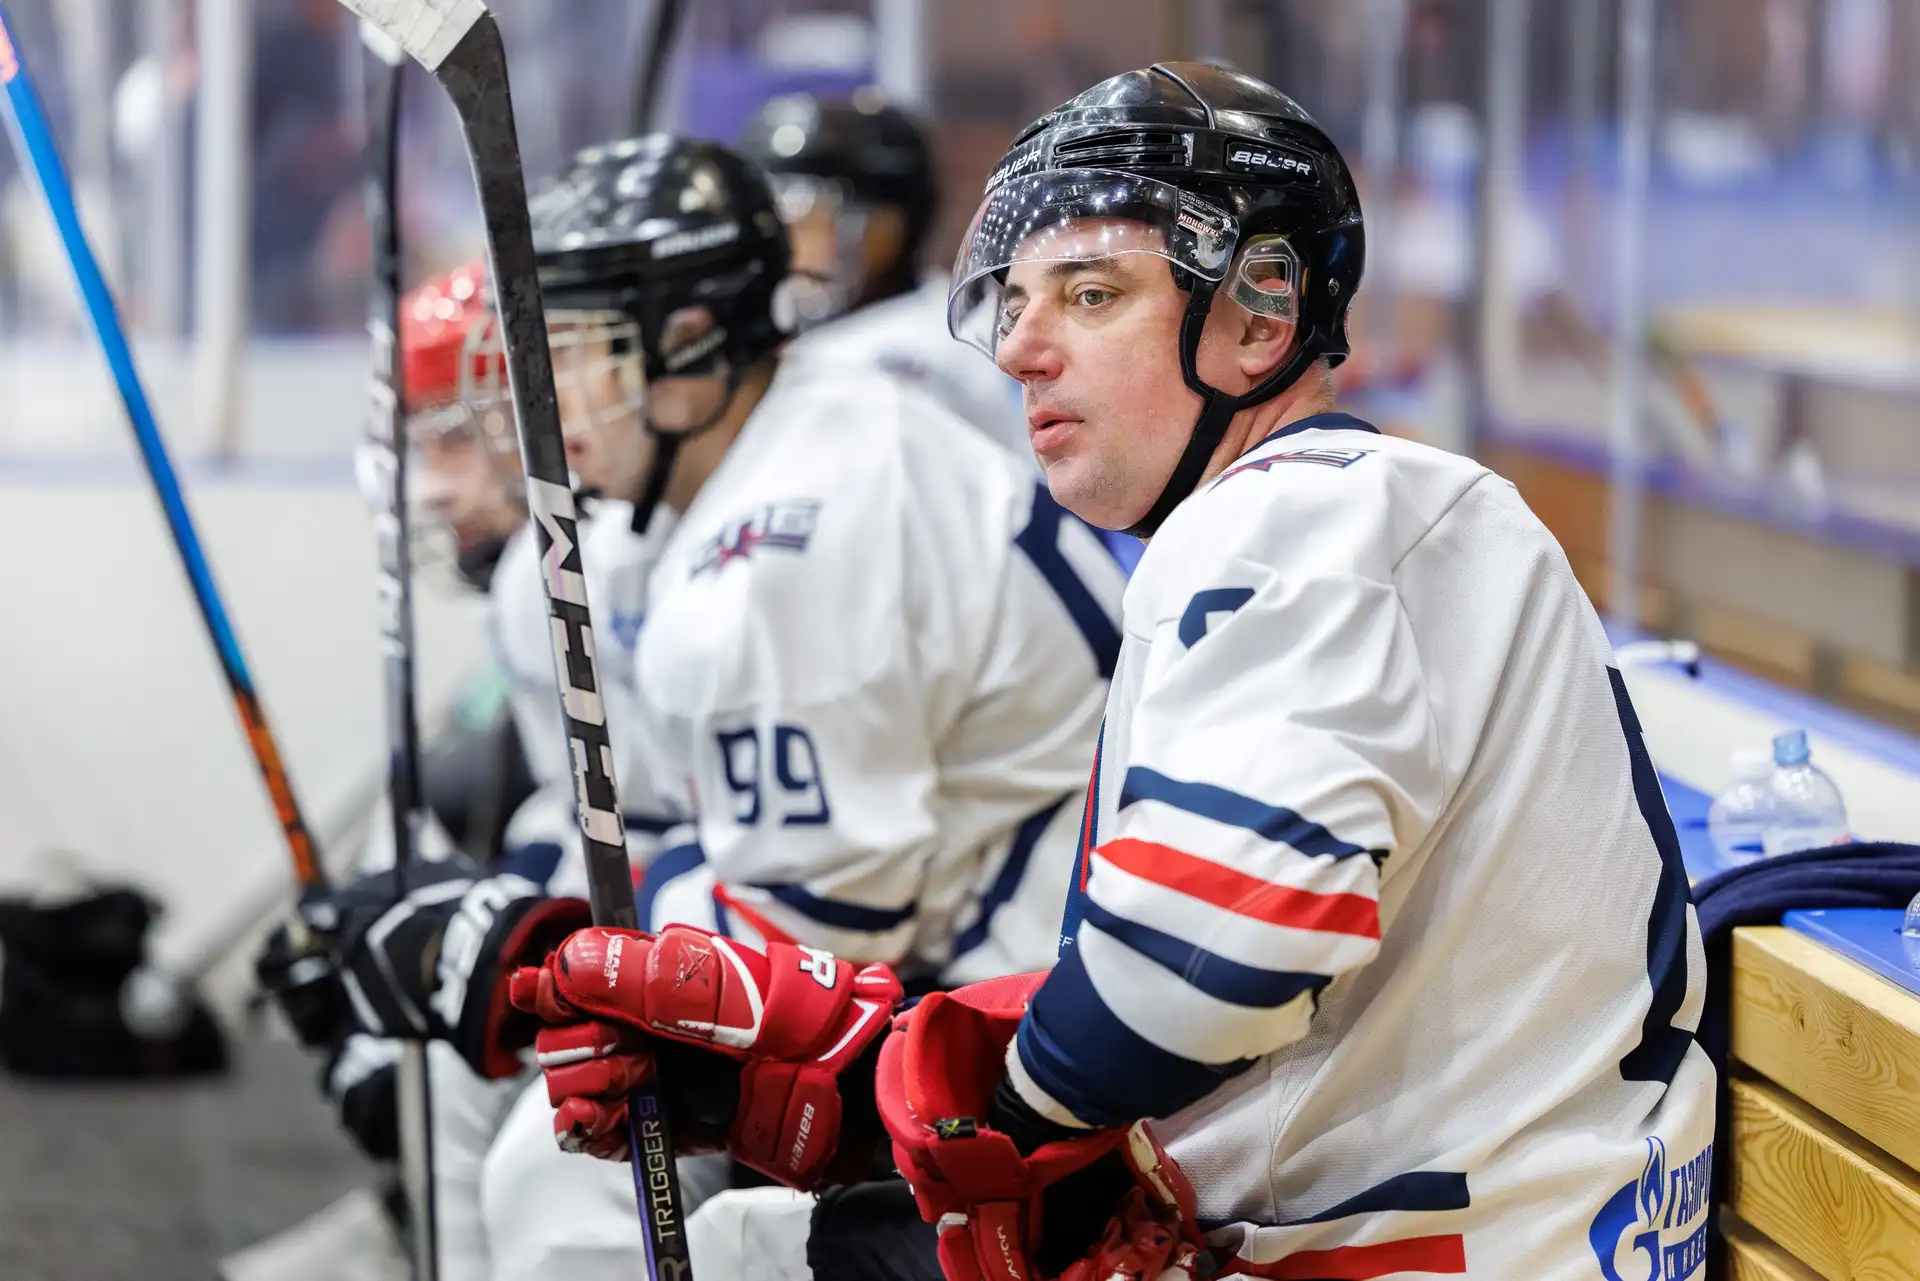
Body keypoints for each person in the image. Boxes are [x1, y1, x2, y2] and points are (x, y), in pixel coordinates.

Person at [508, 63, 1717, 1281]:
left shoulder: (1311, 518)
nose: (1020, 350)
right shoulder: (1348, 516)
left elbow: (1202, 967)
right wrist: (841, 1088)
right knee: (748, 1245)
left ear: (1260, 315)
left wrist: (915, 1102)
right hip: (1433, 1225)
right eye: (1015, 302)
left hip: (1426, 1253)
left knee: (717, 1256)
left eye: (1091, 295)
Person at [270, 130, 1125, 1280]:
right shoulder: (730, 470)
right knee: (474, 1080)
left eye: (570, 349)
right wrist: (502, 914)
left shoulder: (791, 543)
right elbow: (666, 817)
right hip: (930, 936)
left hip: (1019, 1006)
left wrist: (525, 950)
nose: (530, 394)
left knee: (562, 1181)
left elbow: (820, 927)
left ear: (686, 341)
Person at [739, 90, 1030, 459]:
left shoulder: (918, 353)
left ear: (894, 225)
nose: (793, 248)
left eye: (813, 219)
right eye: (780, 225)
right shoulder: (810, 336)